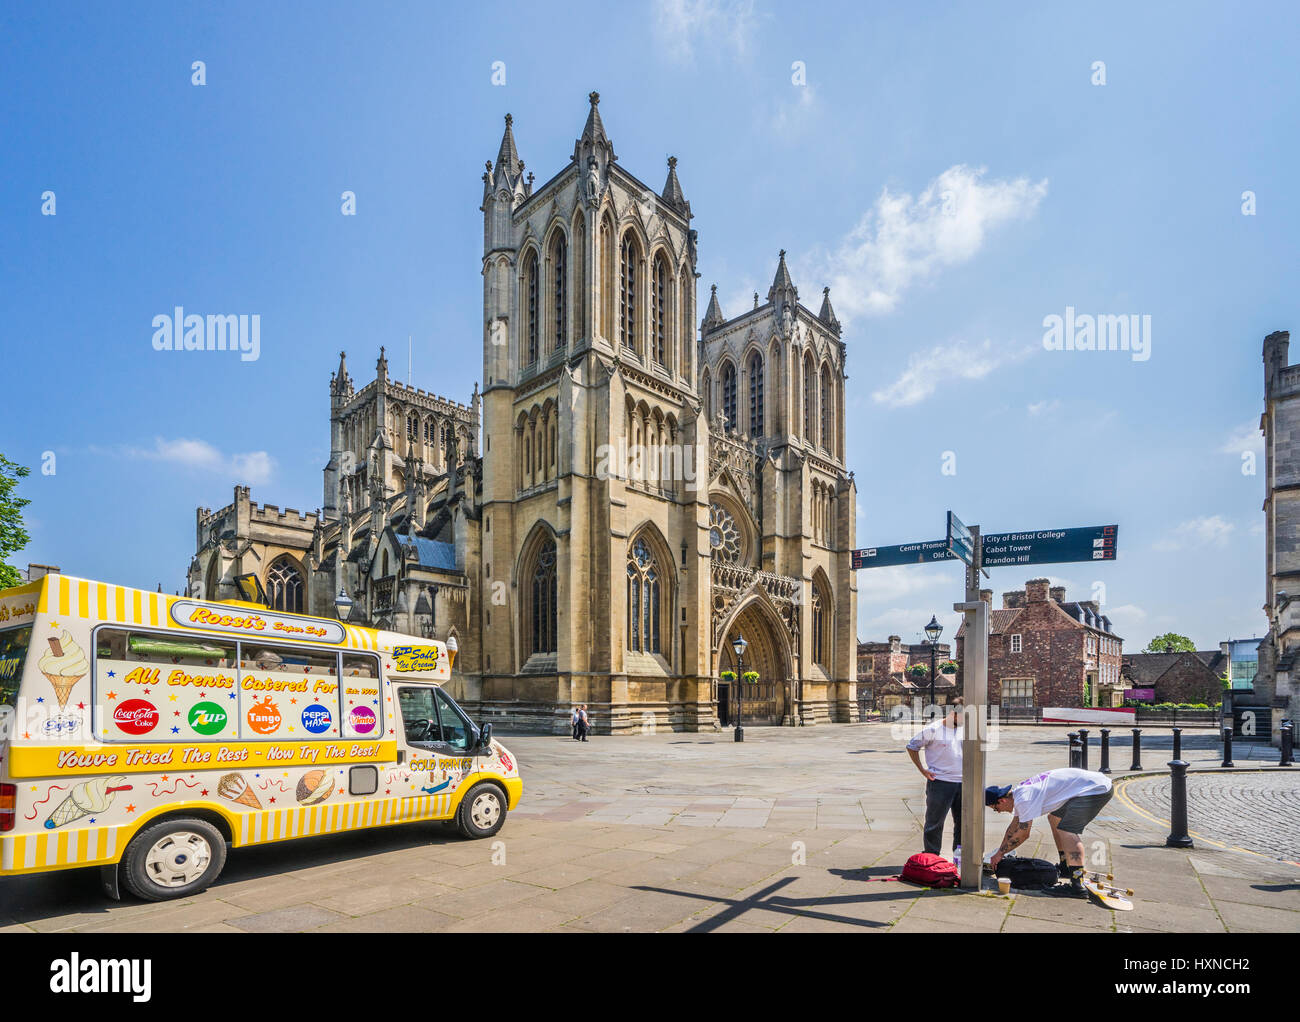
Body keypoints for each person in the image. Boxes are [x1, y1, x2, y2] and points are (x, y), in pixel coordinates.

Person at [986, 767, 1114, 896]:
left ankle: (1077, 884)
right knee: (1054, 818)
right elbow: (1013, 828)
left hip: (1095, 789)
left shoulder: (1024, 799)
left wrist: (1001, 854)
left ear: (1002, 800)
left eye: (996, 808)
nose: (999, 812)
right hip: (1086, 788)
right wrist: (999, 852)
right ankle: (1065, 867)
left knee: (1067, 830)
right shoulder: (1019, 795)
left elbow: (1023, 834)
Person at [905, 699, 964, 859]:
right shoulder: (933, 729)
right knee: (934, 823)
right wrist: (923, 770)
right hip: (940, 783)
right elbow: (912, 746)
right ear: (954, 713)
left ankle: (959, 856)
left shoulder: (965, 729)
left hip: (963, 782)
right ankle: (932, 857)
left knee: (963, 823)